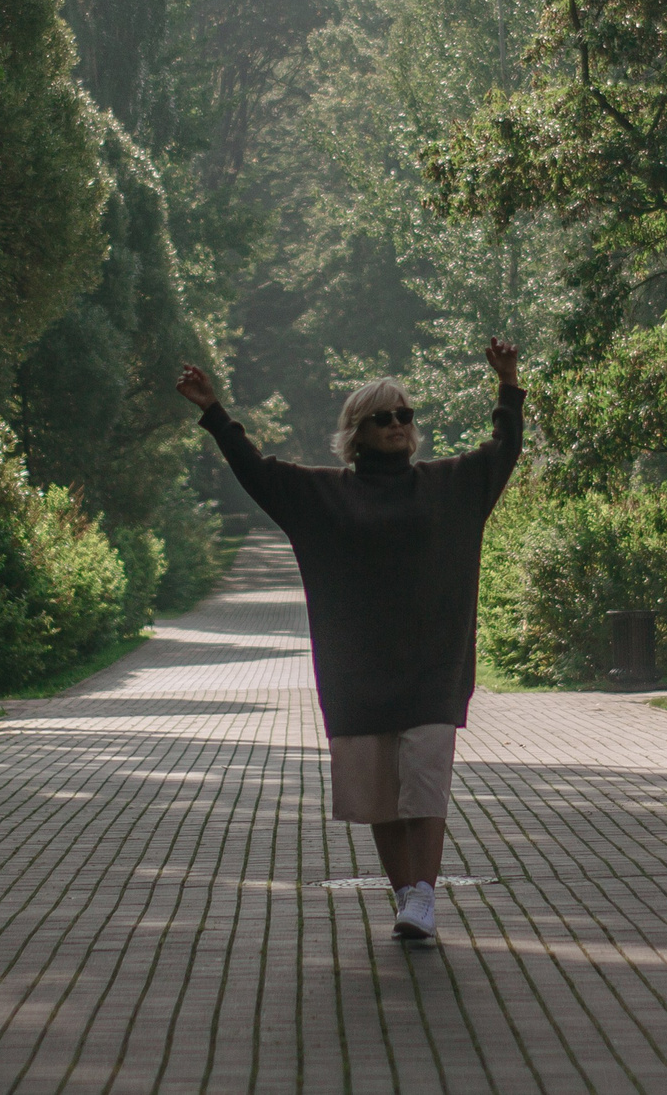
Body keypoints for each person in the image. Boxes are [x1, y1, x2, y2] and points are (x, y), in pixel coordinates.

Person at [176, 340, 523, 945]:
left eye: (405, 416)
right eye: (382, 418)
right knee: (380, 797)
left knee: (423, 786)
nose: (397, 425)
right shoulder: (324, 493)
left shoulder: (450, 485)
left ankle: (423, 895)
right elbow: (257, 473)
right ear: (357, 433)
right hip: (357, 671)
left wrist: (509, 384)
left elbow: (504, 450)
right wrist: (214, 413)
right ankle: (406, 895)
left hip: (432, 668)